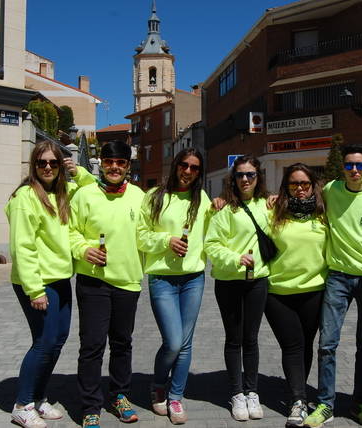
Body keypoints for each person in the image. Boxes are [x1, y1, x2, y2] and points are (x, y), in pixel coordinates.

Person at [305, 144, 362, 428]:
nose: (354, 170)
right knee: (327, 344)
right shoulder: (332, 189)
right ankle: (325, 404)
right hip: (337, 277)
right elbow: (302, 191)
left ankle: (359, 403)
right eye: (348, 165)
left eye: (359, 165)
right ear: (342, 168)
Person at [5, 141, 94, 428]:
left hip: (60, 279)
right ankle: (22, 403)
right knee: (43, 342)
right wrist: (35, 289)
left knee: (57, 340)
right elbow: (23, 247)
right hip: (38, 282)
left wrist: (77, 171)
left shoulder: (60, 194)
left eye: (53, 163)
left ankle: (39, 397)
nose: (47, 167)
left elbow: (91, 190)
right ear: (33, 165)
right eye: (41, 163)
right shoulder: (25, 198)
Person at [69, 141, 146, 427]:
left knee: (122, 343)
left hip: (128, 280)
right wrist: (83, 249)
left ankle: (119, 396)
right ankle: (90, 406)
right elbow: (71, 232)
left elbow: (153, 231)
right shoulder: (84, 195)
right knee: (92, 345)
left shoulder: (139, 196)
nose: (115, 167)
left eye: (121, 163)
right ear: (101, 162)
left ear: (128, 166)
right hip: (93, 282)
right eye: (109, 161)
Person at [137, 148, 212, 425]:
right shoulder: (155, 196)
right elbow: (141, 237)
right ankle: (158, 384)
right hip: (162, 278)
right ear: (175, 165)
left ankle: (176, 397)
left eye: (194, 168)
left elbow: (220, 226)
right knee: (173, 341)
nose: (188, 172)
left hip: (193, 278)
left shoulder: (201, 199)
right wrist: (166, 240)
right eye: (184, 165)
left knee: (186, 342)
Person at [204, 155, 270, 422]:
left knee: (251, 338)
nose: (245, 179)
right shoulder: (223, 209)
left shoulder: (268, 205)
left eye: (250, 175)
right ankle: (236, 393)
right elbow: (212, 244)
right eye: (240, 175)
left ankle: (252, 391)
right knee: (234, 338)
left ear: (258, 178)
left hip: (258, 280)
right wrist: (235, 259)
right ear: (233, 179)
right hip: (229, 280)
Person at [265, 163, 328, 427]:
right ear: (285, 187)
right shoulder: (272, 213)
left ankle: (298, 391)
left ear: (313, 186)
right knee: (292, 345)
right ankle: (298, 400)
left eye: (304, 184)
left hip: (314, 291)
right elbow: (242, 210)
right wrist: (221, 200)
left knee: (306, 344)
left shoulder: (325, 214)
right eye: (294, 184)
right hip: (278, 293)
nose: (300, 189)